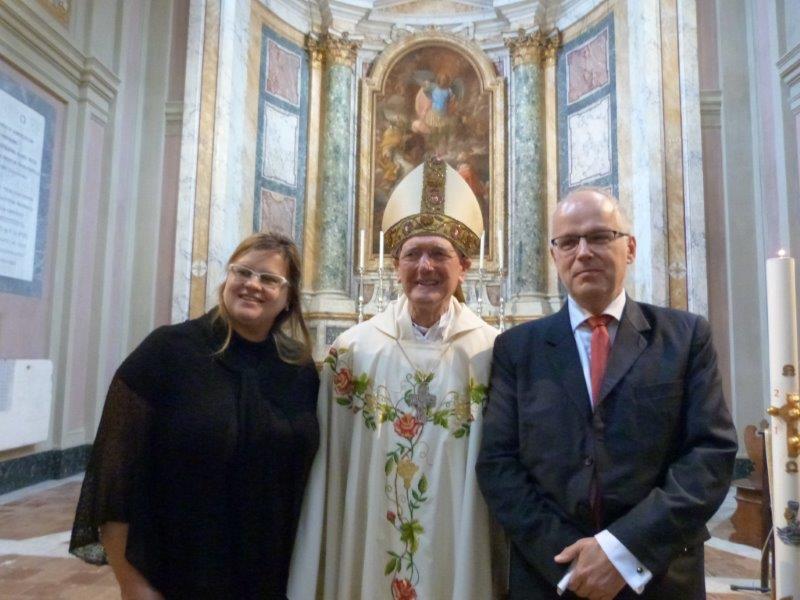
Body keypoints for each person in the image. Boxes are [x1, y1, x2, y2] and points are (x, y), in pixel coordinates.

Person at [476, 188, 737, 599]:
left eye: (599, 237)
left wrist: (621, 552)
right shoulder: (516, 349)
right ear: (554, 256)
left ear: (629, 248)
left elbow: (709, 454)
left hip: (659, 572)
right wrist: (572, 561)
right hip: (551, 576)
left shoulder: (685, 337)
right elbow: (498, 464)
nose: (583, 252)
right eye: (568, 241)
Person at [288, 157, 504, 599]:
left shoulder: (492, 353)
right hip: (370, 538)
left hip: (458, 540)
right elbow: (333, 471)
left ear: (463, 266)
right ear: (395, 265)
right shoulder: (354, 351)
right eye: (413, 254)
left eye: (439, 254)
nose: (425, 266)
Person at [70, 233, 320, 599]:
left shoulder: (299, 370)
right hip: (182, 572)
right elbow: (113, 478)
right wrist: (132, 583)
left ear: (288, 298)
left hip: (270, 575)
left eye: (269, 278)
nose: (252, 284)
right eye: (242, 272)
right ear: (227, 278)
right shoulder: (168, 351)